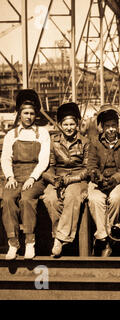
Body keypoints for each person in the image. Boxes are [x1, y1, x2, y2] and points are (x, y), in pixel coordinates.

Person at [1, 89, 51, 260]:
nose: (29, 116)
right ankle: (13, 243)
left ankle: (30, 241)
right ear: (19, 114)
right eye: (25, 113)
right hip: (16, 175)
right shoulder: (11, 135)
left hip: (35, 176)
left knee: (27, 198)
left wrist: (32, 177)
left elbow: (43, 160)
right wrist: (10, 177)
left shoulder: (42, 133)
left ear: (35, 114)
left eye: (31, 113)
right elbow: (5, 158)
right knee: (7, 199)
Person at [41, 102, 89, 257]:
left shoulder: (85, 142)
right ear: (60, 125)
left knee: (72, 197)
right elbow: (50, 166)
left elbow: (88, 168)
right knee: (50, 198)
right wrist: (54, 179)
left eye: (72, 124)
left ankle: (59, 239)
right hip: (58, 177)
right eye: (66, 124)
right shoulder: (53, 142)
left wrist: (72, 179)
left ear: (77, 125)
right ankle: (60, 237)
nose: (69, 128)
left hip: (77, 177)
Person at [87, 105, 120, 257]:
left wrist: (114, 179)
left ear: (117, 126)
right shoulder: (94, 143)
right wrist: (98, 178)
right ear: (102, 127)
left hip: (119, 181)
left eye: (114, 125)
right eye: (107, 126)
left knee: (116, 198)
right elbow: (91, 166)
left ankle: (101, 237)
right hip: (99, 181)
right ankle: (105, 239)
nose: (111, 129)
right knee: (95, 199)